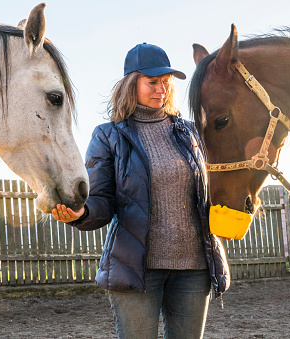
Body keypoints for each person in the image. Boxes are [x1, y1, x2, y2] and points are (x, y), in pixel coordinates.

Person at [52, 42, 229, 339]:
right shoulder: (108, 135)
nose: (161, 89)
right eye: (152, 82)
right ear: (131, 84)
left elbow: (215, 184)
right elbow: (102, 200)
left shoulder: (190, 133)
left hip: (194, 268)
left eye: (166, 82)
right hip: (137, 269)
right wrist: (81, 213)